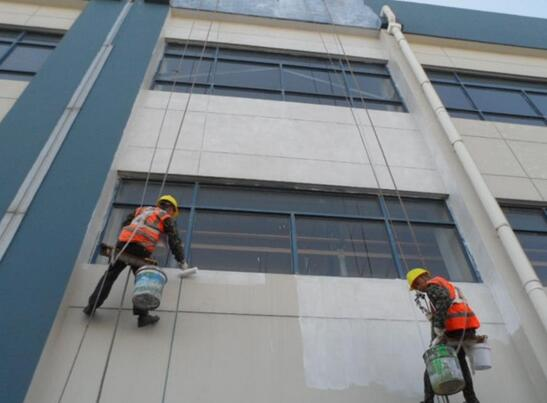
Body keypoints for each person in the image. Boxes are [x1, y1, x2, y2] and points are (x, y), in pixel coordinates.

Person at [84, 195, 187, 327]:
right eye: (173, 212)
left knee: (110, 275)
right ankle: (142, 316)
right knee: (144, 280)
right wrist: (181, 260)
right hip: (141, 248)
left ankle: (91, 305)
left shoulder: (142, 210)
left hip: (124, 244)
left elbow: (125, 224)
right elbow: (174, 240)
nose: (172, 214)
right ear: (171, 208)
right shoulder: (165, 216)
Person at [407, 267, 481, 403]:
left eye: (417, 284)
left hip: (455, 328)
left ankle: (428, 400)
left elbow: (443, 300)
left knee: (432, 361)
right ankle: (471, 399)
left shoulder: (431, 286)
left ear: (423, 278)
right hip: (465, 327)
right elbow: (446, 303)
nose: (419, 288)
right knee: (460, 361)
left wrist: (438, 325)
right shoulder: (442, 283)